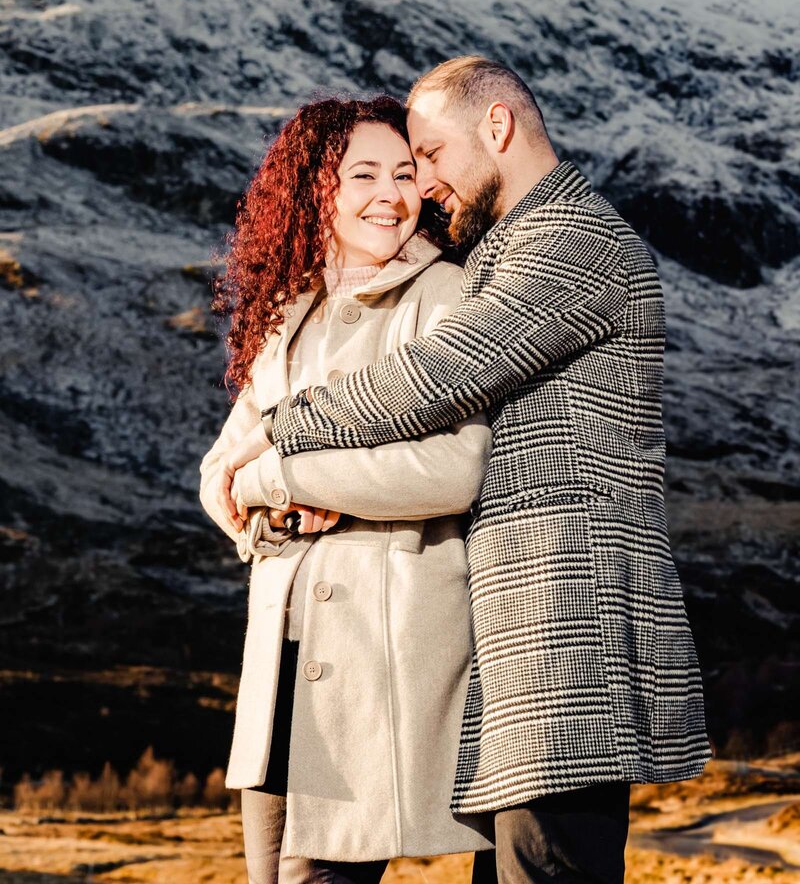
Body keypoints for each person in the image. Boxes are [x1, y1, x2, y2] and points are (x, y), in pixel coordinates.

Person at [221, 57, 713, 884]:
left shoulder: (574, 242)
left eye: (432, 156)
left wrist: (278, 438)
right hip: (511, 630)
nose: (426, 184)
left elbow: (442, 374)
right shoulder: (505, 246)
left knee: (550, 870)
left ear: (498, 128)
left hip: (567, 621)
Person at [199, 95, 494, 884]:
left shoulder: (444, 297)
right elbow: (218, 475)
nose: (390, 196)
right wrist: (269, 509)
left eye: (405, 173)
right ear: (314, 190)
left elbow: (452, 469)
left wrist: (286, 476)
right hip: (279, 659)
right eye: (362, 173)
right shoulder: (292, 309)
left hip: (376, 659)